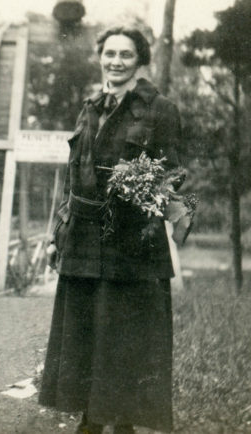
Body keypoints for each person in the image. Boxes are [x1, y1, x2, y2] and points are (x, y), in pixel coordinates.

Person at [38, 27, 181, 434]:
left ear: (140, 61)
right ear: (100, 56)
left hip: (132, 241)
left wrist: (140, 180)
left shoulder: (160, 109)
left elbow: (175, 173)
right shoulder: (91, 106)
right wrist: (59, 231)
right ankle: (90, 418)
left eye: (126, 55)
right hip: (84, 236)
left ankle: (122, 422)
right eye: (109, 53)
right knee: (86, 330)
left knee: (125, 334)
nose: (116, 61)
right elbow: (73, 175)